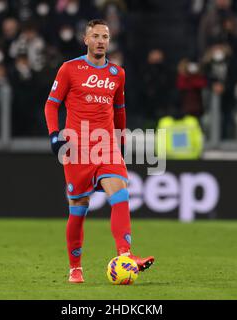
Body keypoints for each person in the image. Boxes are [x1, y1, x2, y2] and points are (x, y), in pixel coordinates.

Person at [43, 19, 154, 284]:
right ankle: (75, 268)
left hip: (106, 146)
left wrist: (121, 141)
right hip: (77, 148)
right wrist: (54, 135)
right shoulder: (69, 69)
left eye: (105, 36)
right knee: (79, 208)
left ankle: (125, 255)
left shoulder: (118, 73)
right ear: (86, 39)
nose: (101, 41)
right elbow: (51, 106)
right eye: (96, 36)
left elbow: (120, 111)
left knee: (121, 192)